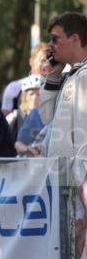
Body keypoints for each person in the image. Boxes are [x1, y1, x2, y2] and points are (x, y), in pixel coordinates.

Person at [39, 12, 87, 159]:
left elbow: (84, 139)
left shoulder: (84, 77)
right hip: (64, 176)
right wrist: (54, 74)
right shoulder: (72, 75)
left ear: (74, 39)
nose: (50, 45)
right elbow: (48, 119)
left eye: (55, 39)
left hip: (78, 178)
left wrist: (82, 180)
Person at [1, 42, 49, 116]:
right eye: (43, 60)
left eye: (50, 61)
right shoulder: (14, 88)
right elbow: (4, 123)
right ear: (32, 61)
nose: (47, 65)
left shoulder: (56, 89)